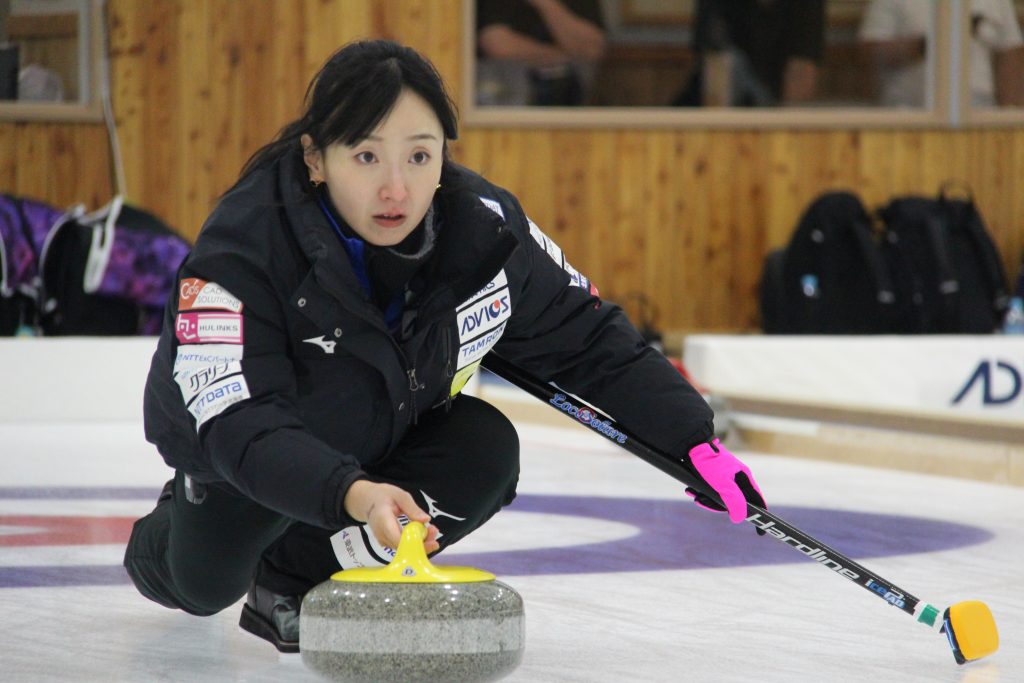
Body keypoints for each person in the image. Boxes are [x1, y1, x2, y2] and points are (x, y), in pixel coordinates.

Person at [123, 39, 766, 653]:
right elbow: (241, 421)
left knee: (483, 451)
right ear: (315, 159)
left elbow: (586, 335)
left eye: (419, 157)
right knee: (203, 586)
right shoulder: (243, 247)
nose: (396, 189)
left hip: (383, 429)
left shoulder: (484, 230)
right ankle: (170, 534)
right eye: (366, 157)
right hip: (248, 457)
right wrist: (353, 493)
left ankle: (290, 579)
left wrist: (692, 440)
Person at [859, 0, 1024, 108]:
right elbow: (871, 53)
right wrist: (932, 43)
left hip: (981, 118)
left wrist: (1009, 119)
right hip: (909, 120)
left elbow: (1010, 54)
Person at [674, 0, 825, 107]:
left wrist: (781, 133)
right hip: (709, 116)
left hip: (774, 113)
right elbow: (716, 79)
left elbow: (802, 72)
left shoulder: (806, 5)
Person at [475, 0, 606, 105]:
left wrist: (546, 4)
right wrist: (566, 56)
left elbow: (593, 49)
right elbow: (497, 45)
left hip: (574, 90)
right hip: (507, 92)